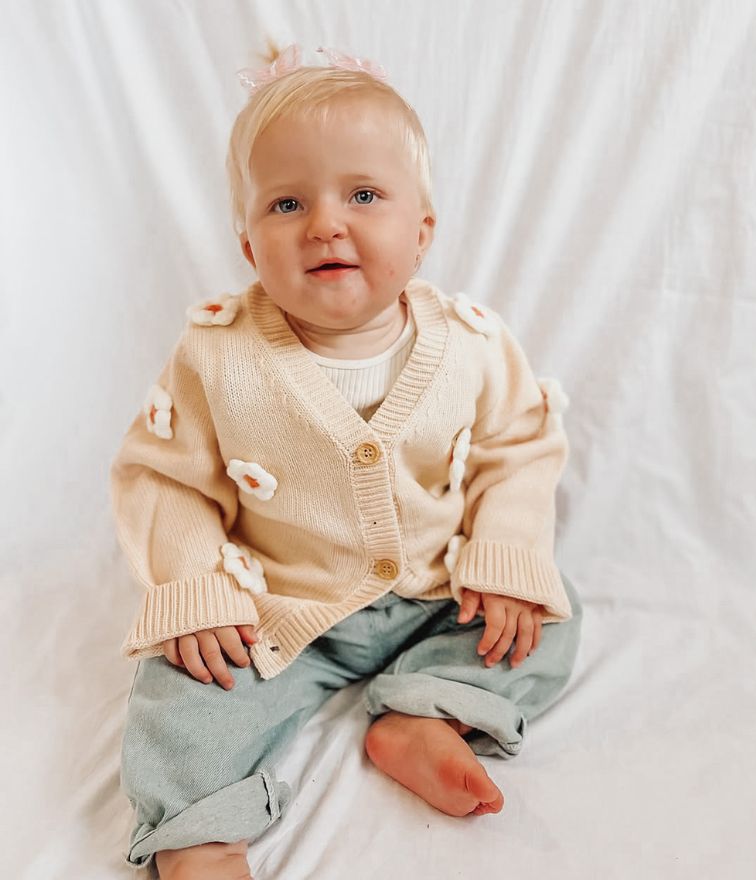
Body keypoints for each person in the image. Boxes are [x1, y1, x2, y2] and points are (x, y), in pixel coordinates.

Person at [111, 42, 583, 880]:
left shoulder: (471, 343)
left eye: (363, 195)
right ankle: (198, 833)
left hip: (437, 590)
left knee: (546, 613)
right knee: (177, 690)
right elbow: (162, 477)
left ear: (422, 230)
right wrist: (197, 589)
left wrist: (506, 553)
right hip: (276, 606)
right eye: (287, 203)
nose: (326, 224)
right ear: (250, 245)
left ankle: (426, 713)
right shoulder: (218, 354)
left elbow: (517, 447)